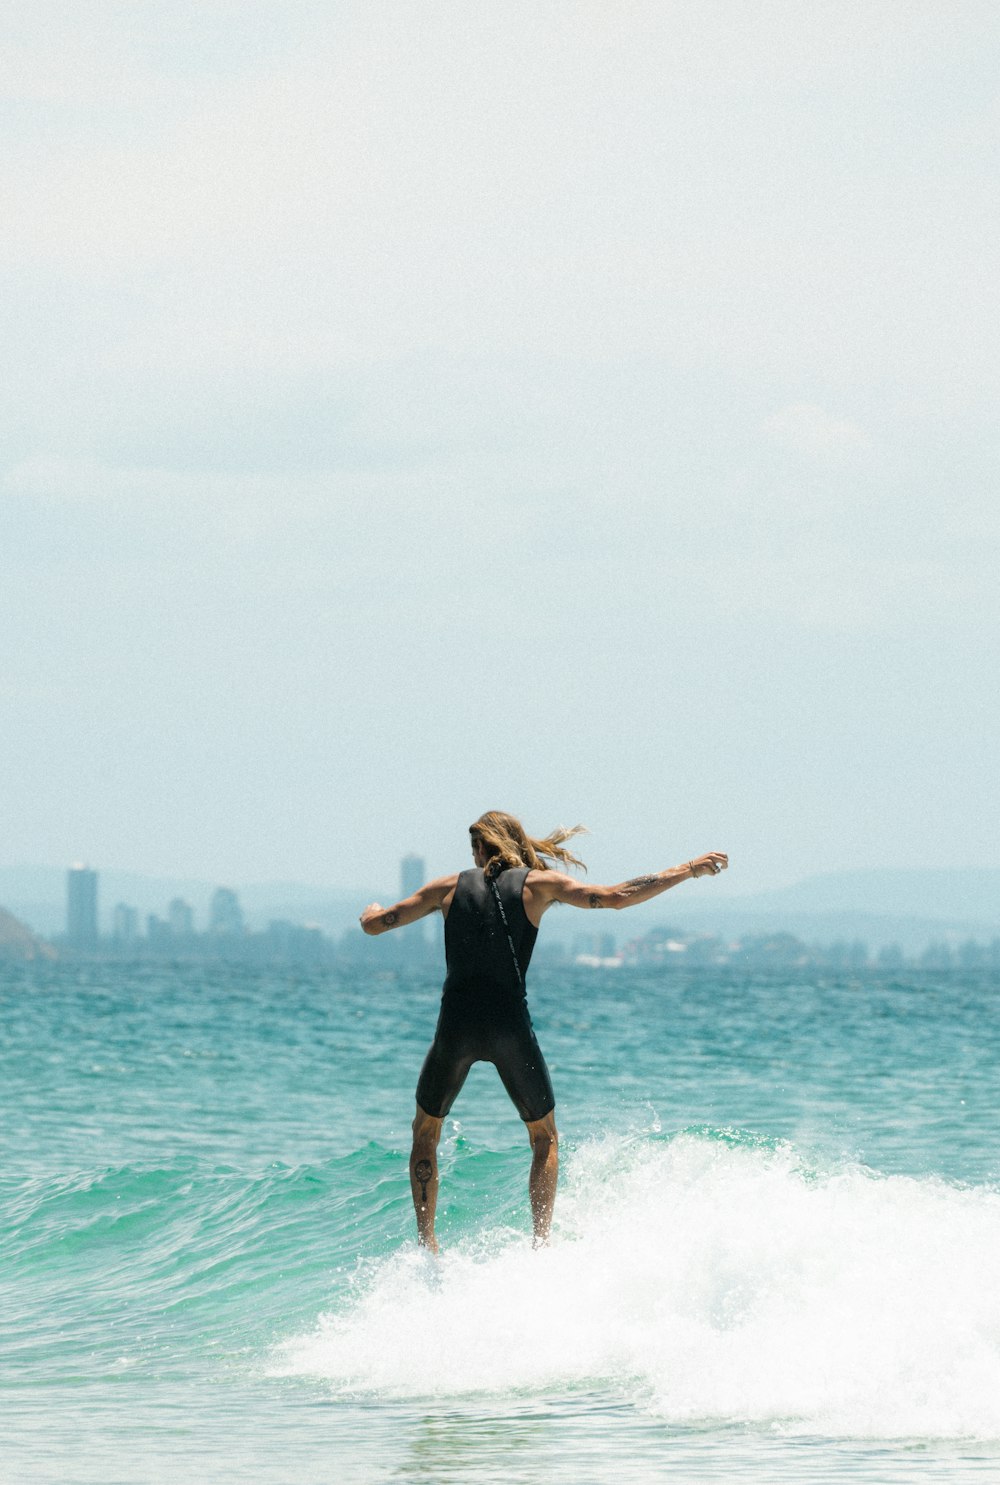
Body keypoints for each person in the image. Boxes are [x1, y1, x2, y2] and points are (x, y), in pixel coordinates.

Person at [360, 810, 728, 1251]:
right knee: (543, 1137)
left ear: (481, 847)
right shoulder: (538, 885)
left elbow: (376, 926)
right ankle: (540, 1246)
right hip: (509, 1027)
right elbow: (616, 896)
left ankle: (428, 1244)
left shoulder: (445, 888)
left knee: (425, 1131)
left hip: (455, 1027)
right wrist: (686, 870)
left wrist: (372, 913)